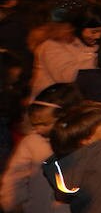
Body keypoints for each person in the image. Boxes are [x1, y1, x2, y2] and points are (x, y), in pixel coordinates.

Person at [0, 82, 82, 213]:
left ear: (66, 117)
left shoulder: (82, 144)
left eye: (44, 124)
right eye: (34, 125)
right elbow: (15, 176)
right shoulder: (31, 143)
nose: (38, 129)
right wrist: (13, 204)